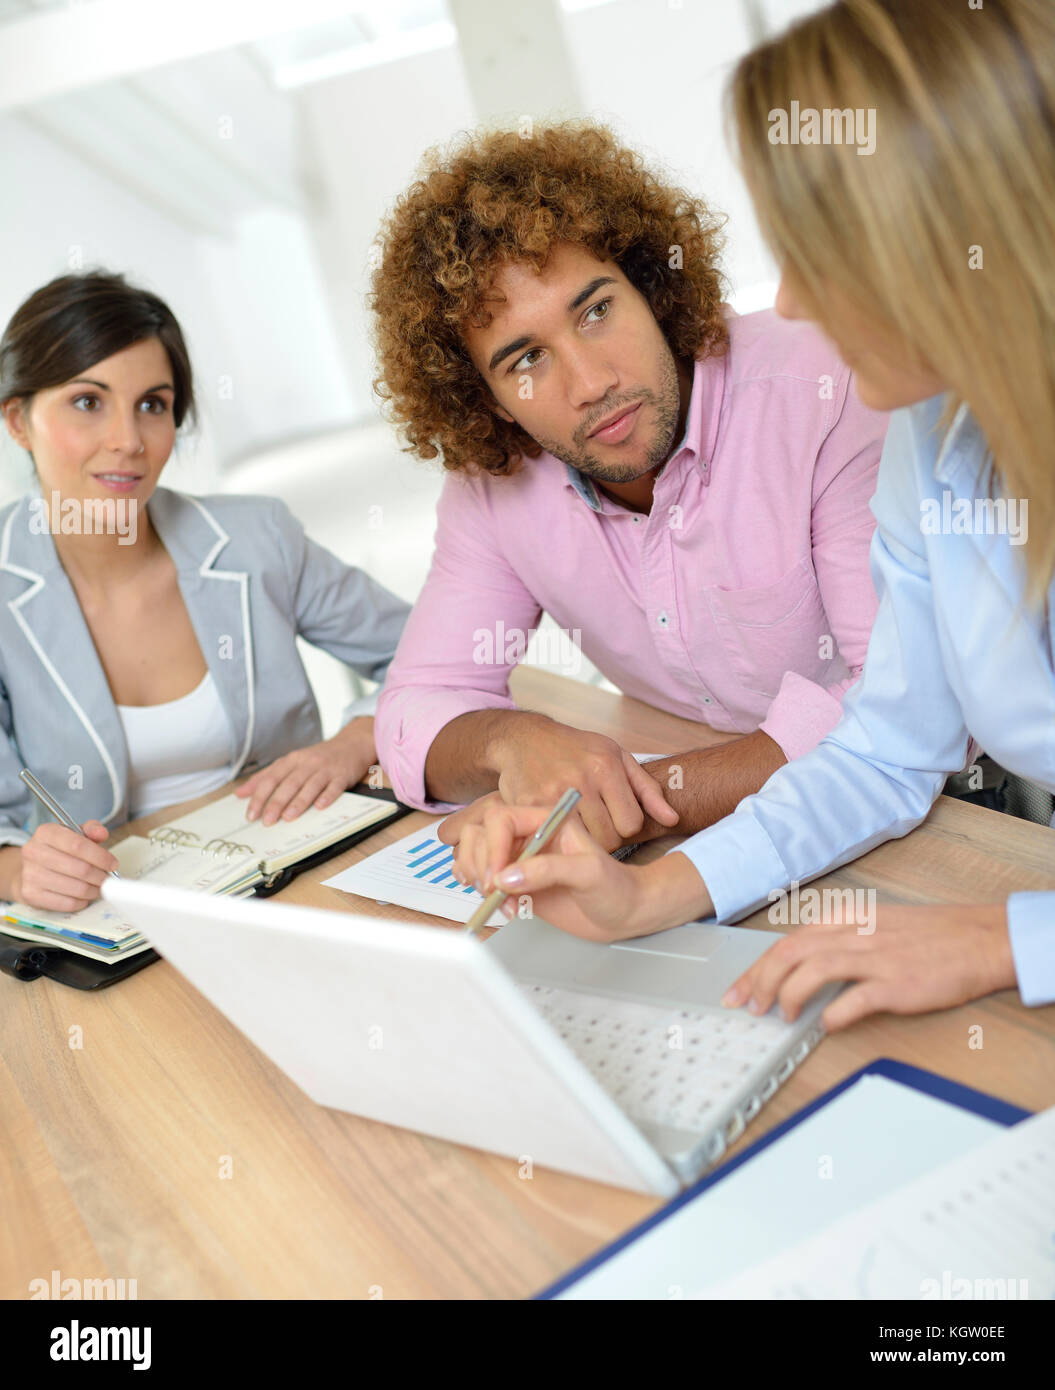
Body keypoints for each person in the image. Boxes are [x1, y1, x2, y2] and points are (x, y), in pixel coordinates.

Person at [452, 0, 1055, 1022]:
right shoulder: (935, 434)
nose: (787, 305)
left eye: (818, 255)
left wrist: (1008, 936)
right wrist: (647, 894)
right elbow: (884, 747)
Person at [370, 121, 889, 853]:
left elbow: (899, 701)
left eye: (595, 311)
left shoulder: (825, 388)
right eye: (525, 359)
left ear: (650, 285)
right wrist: (513, 740)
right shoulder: (493, 487)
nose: (592, 385)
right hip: (733, 842)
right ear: (487, 398)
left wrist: (636, 802)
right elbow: (417, 705)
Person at [0, 270, 409, 914]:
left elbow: (427, 654)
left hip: (294, 876)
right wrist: (16, 868)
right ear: (18, 420)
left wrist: (355, 741)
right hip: (109, 920)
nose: (128, 441)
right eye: (88, 401)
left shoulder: (255, 537)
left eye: (152, 404)